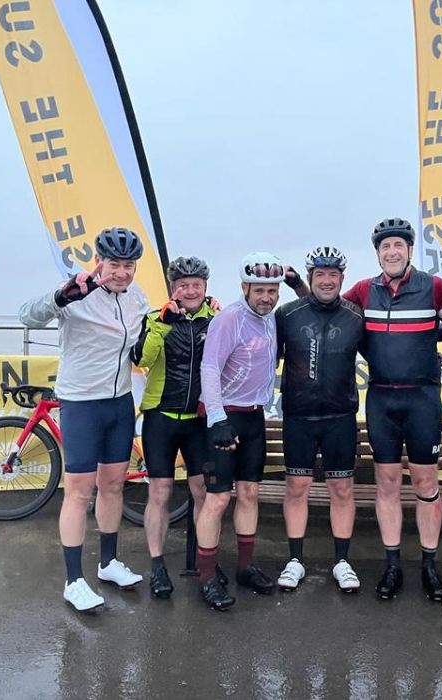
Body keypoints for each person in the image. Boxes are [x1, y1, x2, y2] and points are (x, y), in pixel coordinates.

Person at [19, 227, 150, 612]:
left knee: (113, 487)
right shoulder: (77, 293)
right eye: (114, 264)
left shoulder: (137, 297)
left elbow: (142, 338)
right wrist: (60, 295)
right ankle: (74, 580)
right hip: (81, 404)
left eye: (129, 266)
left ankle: (108, 563)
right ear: (99, 262)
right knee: (79, 491)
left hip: (120, 402)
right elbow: (27, 315)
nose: (122, 273)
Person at [342, 219, 442, 601]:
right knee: (388, 484)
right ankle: (392, 564)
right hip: (381, 400)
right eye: (384, 247)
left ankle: (429, 564)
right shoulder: (364, 290)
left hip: (422, 400)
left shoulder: (434, 287)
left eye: (398, 245)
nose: (391, 252)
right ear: (377, 253)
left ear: (410, 249)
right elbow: (325, 310)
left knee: (427, 485)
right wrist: (297, 284)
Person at [193, 252, 305, 610]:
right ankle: (207, 576)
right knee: (218, 498)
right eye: (259, 290)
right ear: (244, 288)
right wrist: (217, 418)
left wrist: (296, 283)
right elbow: (210, 369)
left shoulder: (272, 319)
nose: (267, 297)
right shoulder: (229, 319)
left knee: (249, 494)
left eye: (272, 290)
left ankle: (244, 567)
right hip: (224, 417)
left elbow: (314, 308)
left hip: (254, 417)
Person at [274, 246, 366, 593]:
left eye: (333, 275)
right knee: (297, 487)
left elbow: (382, 353)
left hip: (340, 417)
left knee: (341, 488)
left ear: (342, 279)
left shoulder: (355, 316)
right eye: (320, 275)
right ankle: (295, 560)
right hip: (299, 416)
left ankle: (342, 561)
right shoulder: (287, 314)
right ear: (311, 277)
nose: (327, 281)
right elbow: (263, 353)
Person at [130, 256, 219, 599]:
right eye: (183, 285)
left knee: (202, 493)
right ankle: (157, 565)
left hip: (199, 420)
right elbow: (142, 360)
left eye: (197, 284)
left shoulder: (217, 318)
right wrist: (163, 324)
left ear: (205, 288)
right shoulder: (155, 319)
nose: (190, 290)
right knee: (160, 492)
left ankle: (204, 560)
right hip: (161, 417)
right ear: (173, 289)